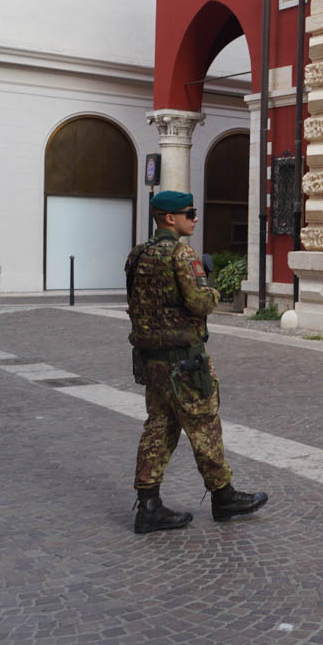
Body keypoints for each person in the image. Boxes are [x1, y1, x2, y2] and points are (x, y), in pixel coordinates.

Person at [126, 190, 268, 534]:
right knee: (204, 424)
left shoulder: (137, 255)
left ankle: (148, 504)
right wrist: (212, 286)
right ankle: (223, 495)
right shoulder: (182, 254)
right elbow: (200, 303)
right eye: (190, 213)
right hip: (184, 360)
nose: (195, 218)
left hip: (150, 359)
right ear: (170, 219)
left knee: (159, 426)